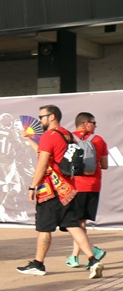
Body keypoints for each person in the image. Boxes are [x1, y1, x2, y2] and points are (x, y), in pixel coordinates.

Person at [18, 105, 104, 278]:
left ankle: (39, 264)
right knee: (72, 224)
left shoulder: (48, 136)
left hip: (50, 189)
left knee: (44, 228)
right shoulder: (66, 134)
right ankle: (93, 260)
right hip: (68, 188)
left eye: (42, 116)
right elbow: (48, 155)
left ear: (52, 117)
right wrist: (29, 140)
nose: (39, 120)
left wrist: (32, 186)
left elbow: (43, 164)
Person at [67, 112, 109, 268]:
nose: (96, 126)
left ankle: (93, 252)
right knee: (80, 222)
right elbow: (104, 165)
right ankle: (74, 257)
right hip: (93, 186)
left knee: (74, 223)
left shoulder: (68, 139)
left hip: (74, 185)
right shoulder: (99, 140)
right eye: (94, 122)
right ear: (86, 123)